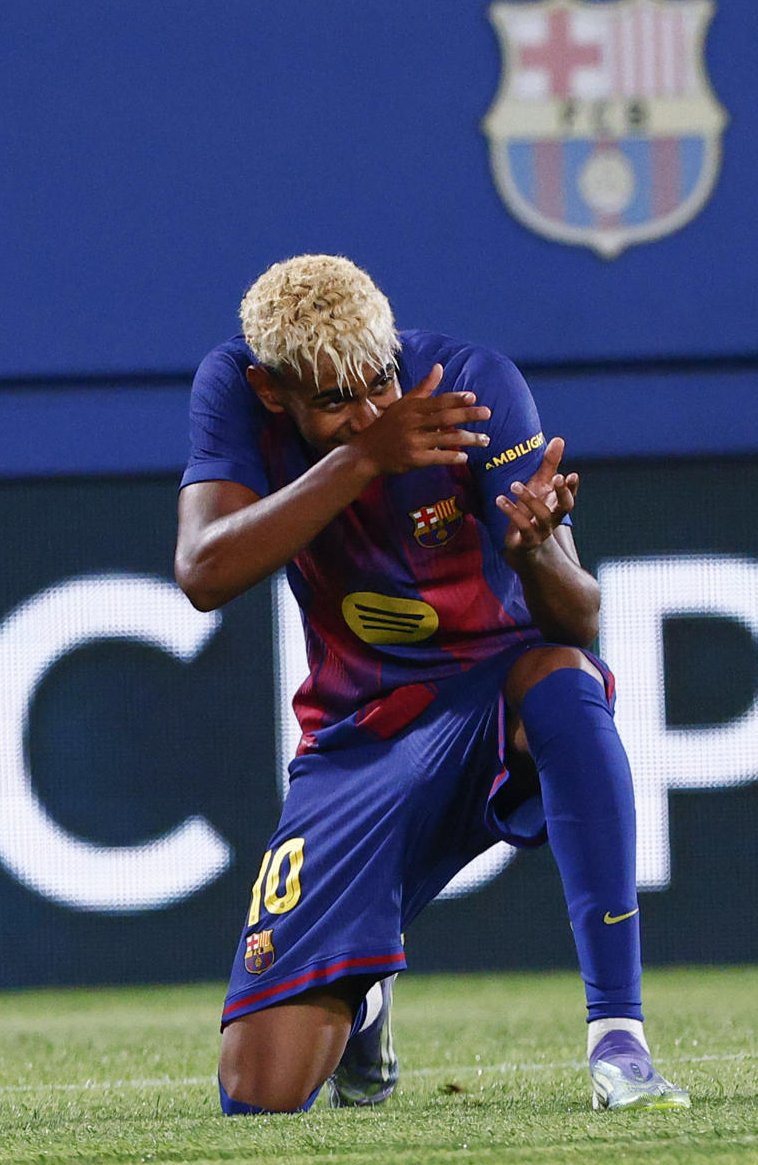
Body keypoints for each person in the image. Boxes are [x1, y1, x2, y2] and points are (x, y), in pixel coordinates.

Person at [175, 254, 688, 1114]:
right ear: (275, 395)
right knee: (257, 1095)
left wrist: (535, 557)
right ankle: (364, 999)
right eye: (337, 404)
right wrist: (366, 460)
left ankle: (619, 1041)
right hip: (359, 732)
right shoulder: (235, 383)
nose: (374, 412)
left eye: (380, 385)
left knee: (566, 680)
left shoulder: (475, 383)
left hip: (495, 695)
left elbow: (580, 619)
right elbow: (202, 571)